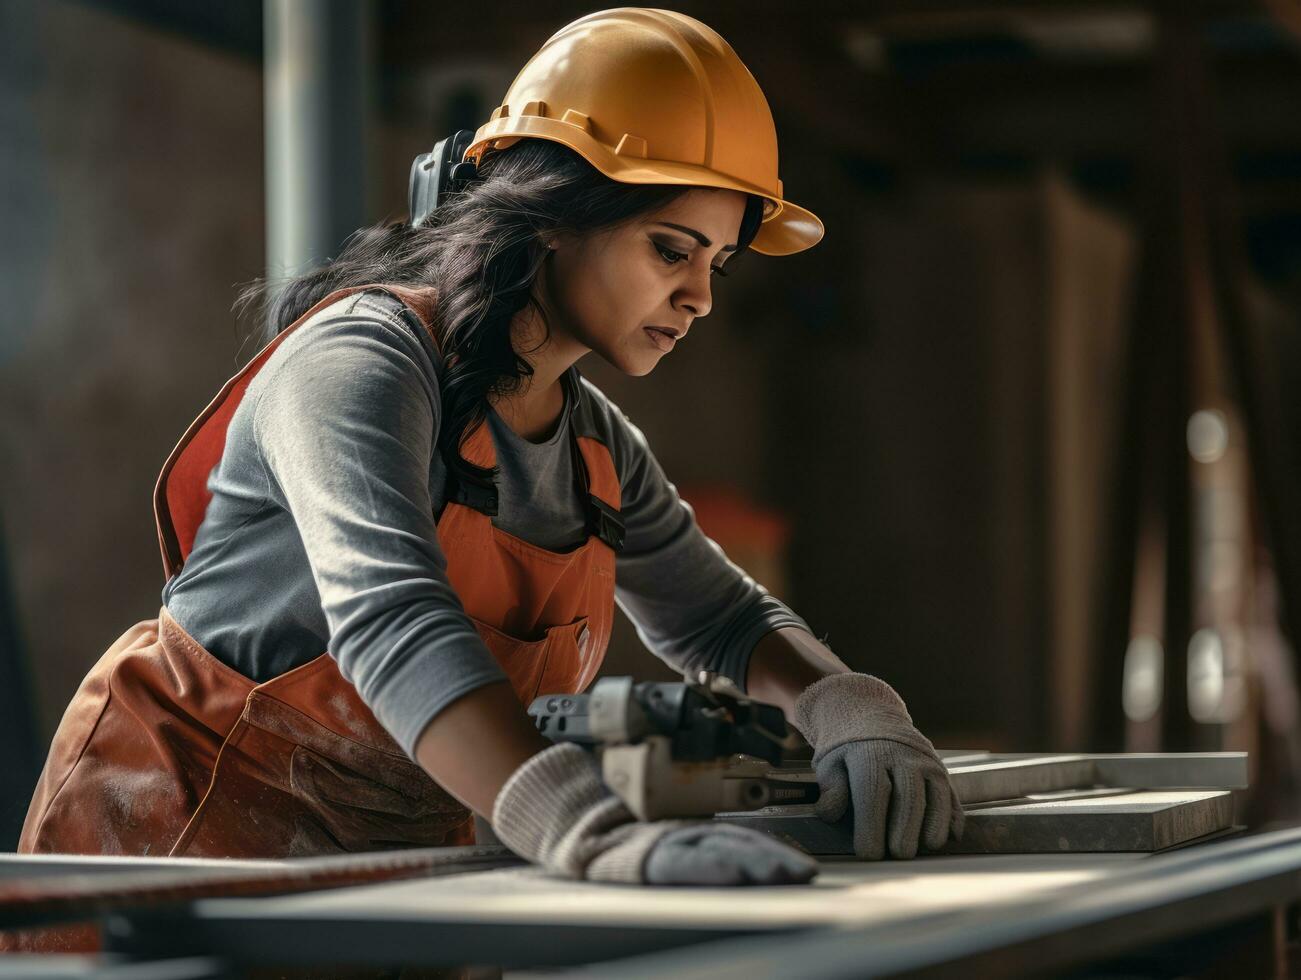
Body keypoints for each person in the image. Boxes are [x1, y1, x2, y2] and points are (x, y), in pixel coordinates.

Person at [16, 8, 962, 900]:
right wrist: (588, 834)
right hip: (180, 861)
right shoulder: (361, 362)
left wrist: (852, 708)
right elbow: (393, 622)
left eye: (717, 265)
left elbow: (721, 620)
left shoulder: (594, 448)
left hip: (398, 882)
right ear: (553, 212)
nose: (700, 298)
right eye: (671, 250)